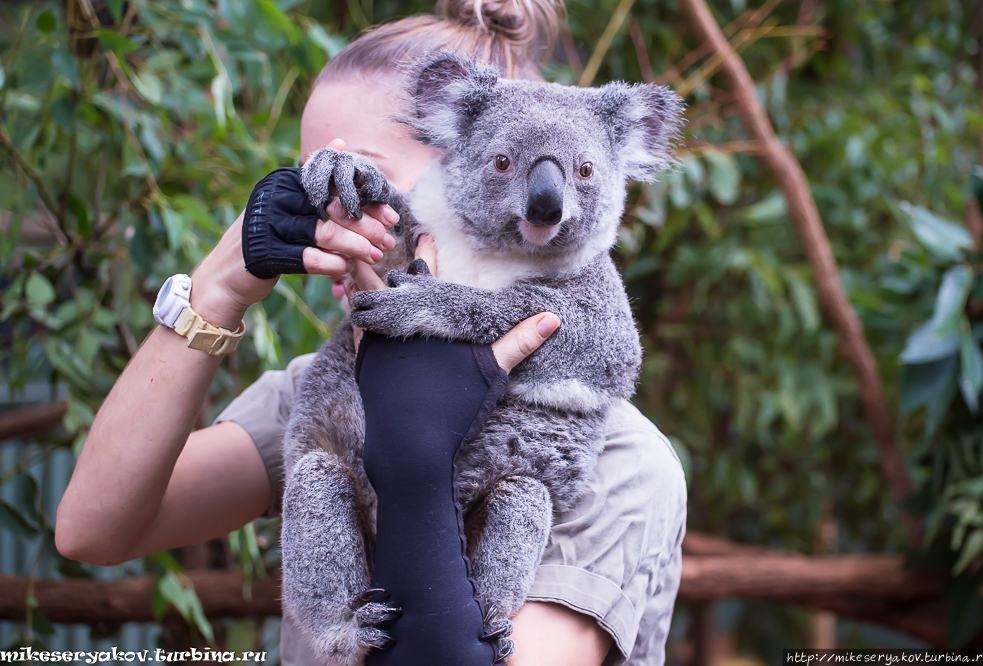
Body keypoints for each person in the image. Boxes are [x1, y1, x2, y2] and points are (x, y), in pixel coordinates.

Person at [54, 2, 687, 665]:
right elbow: (94, 528)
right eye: (314, 179)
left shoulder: (623, 464)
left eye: (364, 176)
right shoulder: (330, 381)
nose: (328, 215)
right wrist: (221, 285)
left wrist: (413, 455)